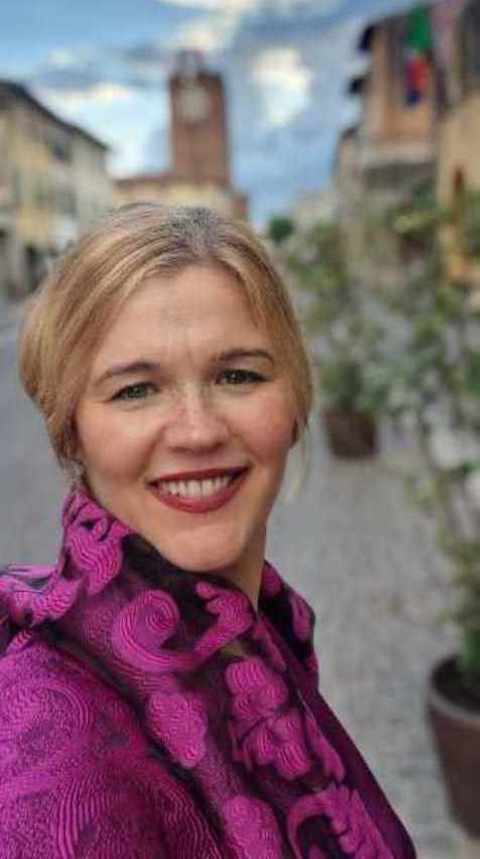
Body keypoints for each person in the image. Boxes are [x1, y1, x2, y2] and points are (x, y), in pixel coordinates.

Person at [0, 204, 416, 858]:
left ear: (295, 403)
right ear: (71, 431)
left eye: (238, 375)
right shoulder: (51, 768)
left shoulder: (260, 625)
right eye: (136, 389)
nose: (197, 431)